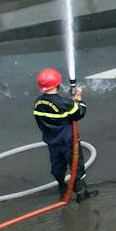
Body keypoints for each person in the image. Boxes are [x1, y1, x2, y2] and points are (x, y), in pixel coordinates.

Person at [32, 67, 94, 202]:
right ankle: (82, 194)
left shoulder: (38, 103)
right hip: (69, 143)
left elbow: (53, 111)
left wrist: (69, 103)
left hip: (52, 142)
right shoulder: (64, 104)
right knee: (76, 167)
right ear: (58, 84)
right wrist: (78, 99)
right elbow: (79, 113)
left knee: (57, 167)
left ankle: (62, 188)